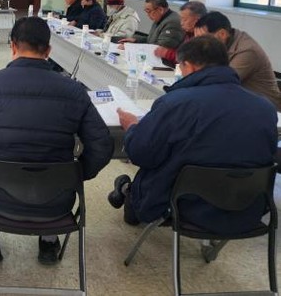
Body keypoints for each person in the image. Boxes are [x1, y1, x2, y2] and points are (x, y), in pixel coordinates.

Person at [0, 17, 113, 265]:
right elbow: (102, 146)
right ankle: (49, 242)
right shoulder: (74, 91)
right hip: (57, 201)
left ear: (12, 45)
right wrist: (77, 174)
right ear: (48, 50)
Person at [108, 36, 278, 233]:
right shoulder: (265, 108)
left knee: (151, 172)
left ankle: (127, 192)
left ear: (188, 65)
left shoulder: (176, 103)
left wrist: (133, 128)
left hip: (182, 206)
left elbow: (141, 154)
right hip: (247, 209)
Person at [194, 12, 281, 110]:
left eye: (202, 39)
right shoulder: (223, 43)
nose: (199, 44)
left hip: (267, 109)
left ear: (222, 34)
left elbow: (221, 82)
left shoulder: (247, 51)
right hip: (243, 102)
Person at [120, 0, 185, 49]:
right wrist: (136, 40)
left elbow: (160, 48)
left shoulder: (172, 22)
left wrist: (131, 47)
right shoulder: (160, 18)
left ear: (160, 10)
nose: (147, 15)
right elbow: (152, 40)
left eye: (148, 11)